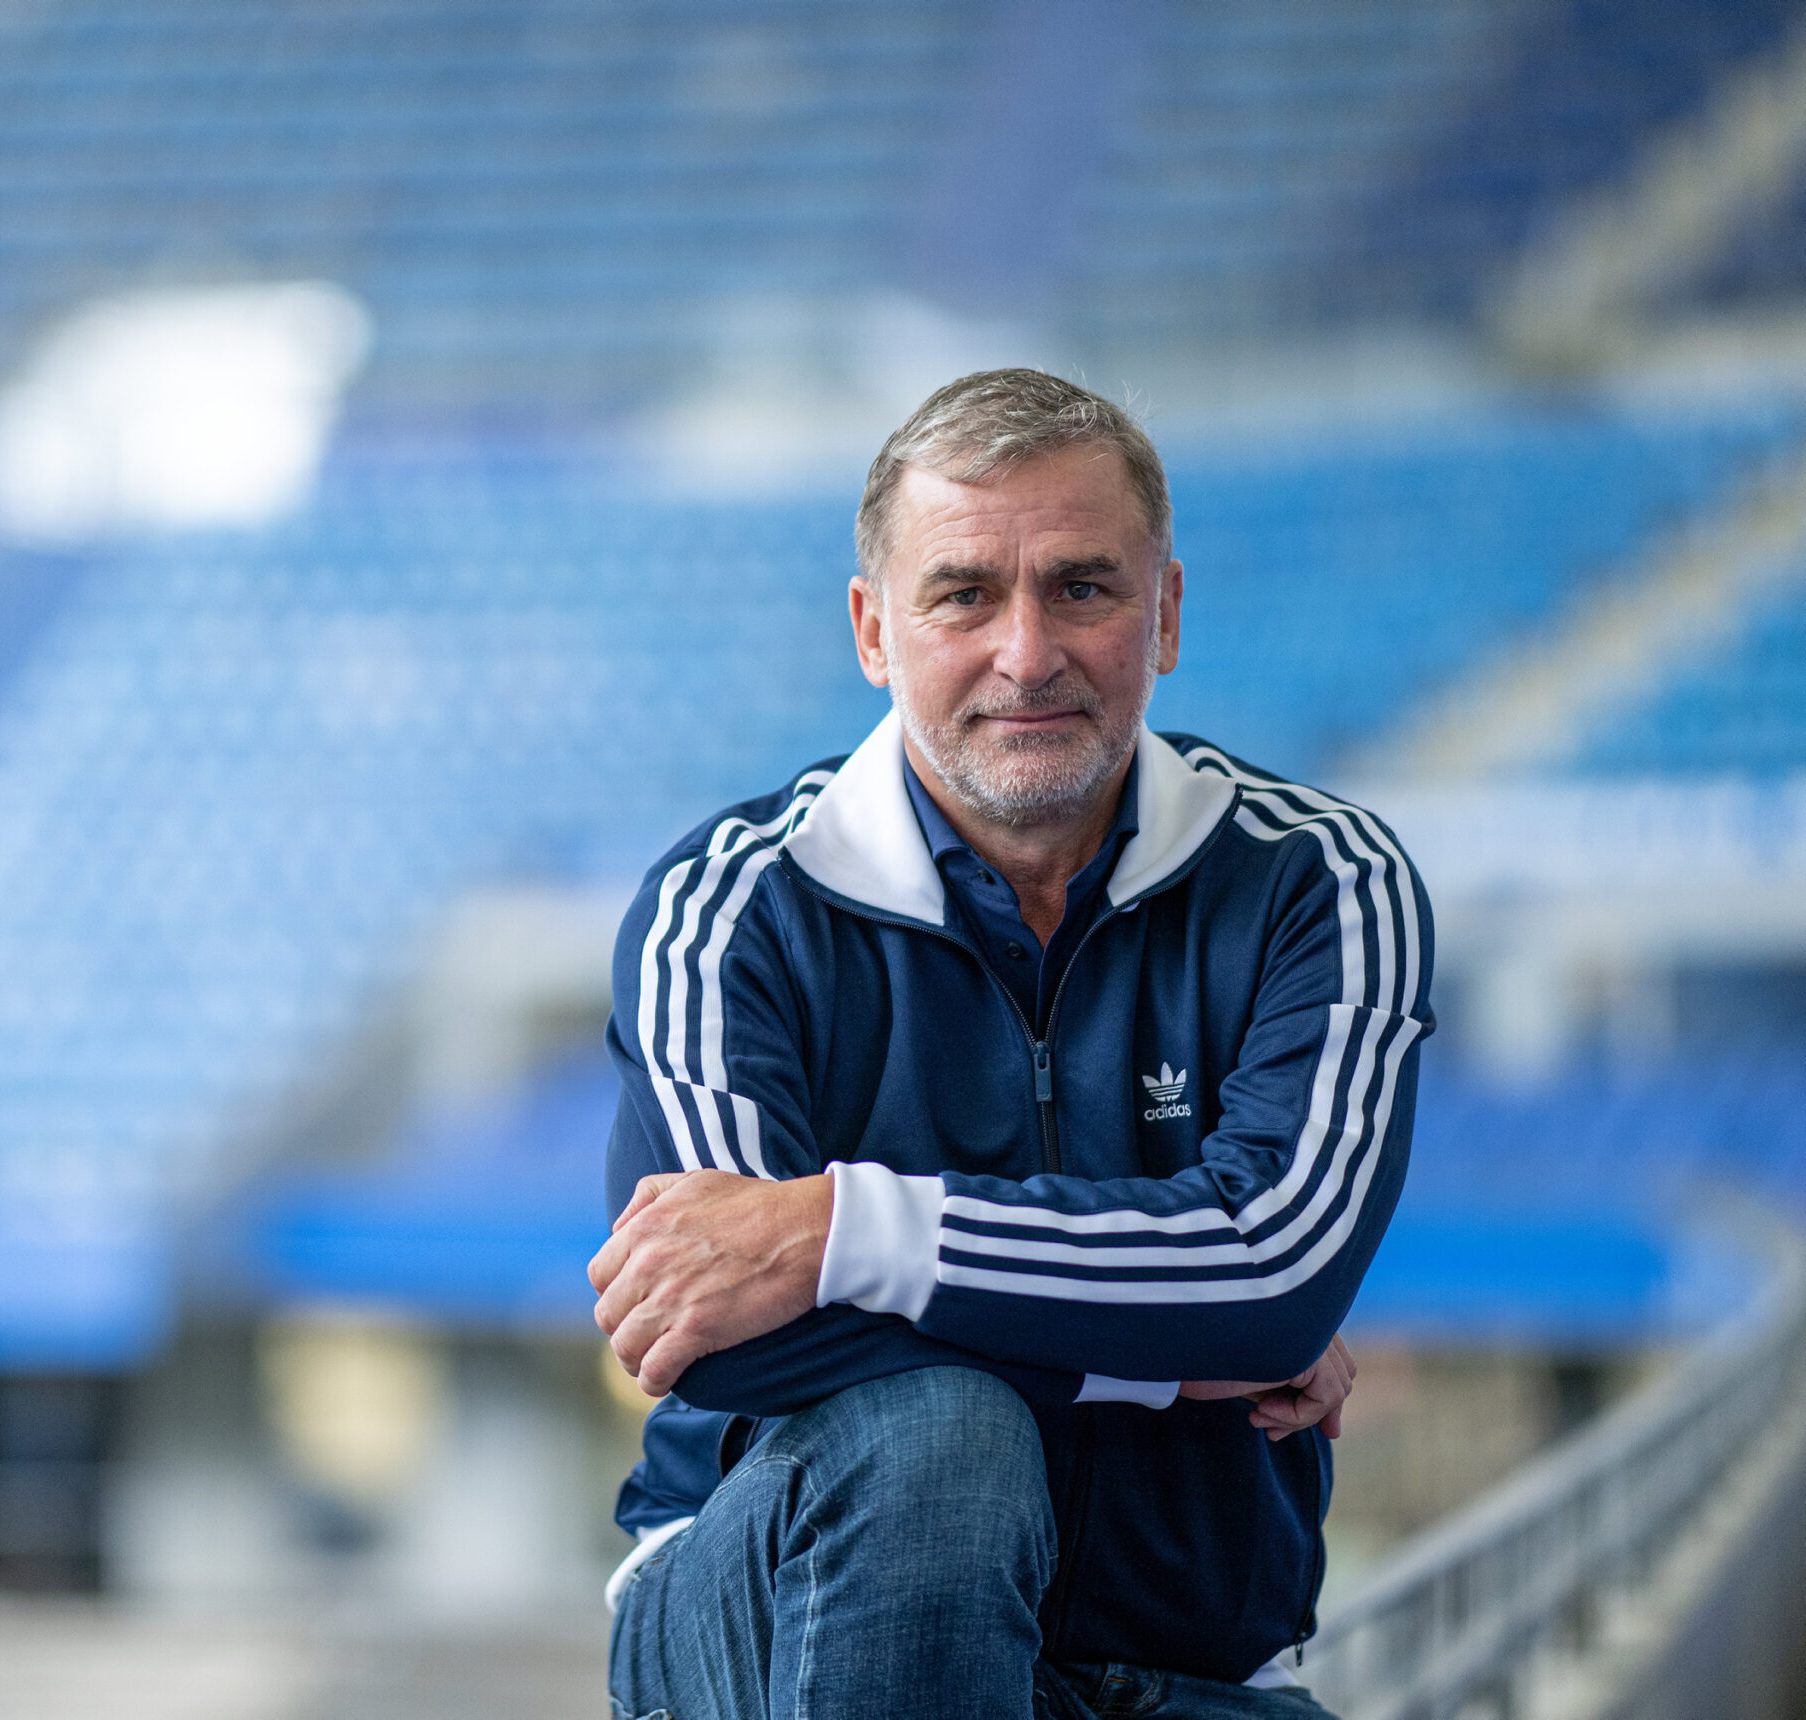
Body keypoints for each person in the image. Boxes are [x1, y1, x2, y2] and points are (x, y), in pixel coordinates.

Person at [587, 369, 1431, 1720]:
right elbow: (721, 1343)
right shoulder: (731, 907)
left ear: (1162, 616)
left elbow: (1274, 1279)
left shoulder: (1317, 882)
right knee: (936, 1442)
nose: (1027, 654)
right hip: (764, 1632)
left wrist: (841, 1235)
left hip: (1196, 1660)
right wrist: (1184, 1332)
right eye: (964, 593)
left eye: (1084, 589)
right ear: (875, 629)